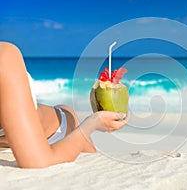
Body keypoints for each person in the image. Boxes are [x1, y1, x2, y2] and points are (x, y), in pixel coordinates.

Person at [0, 42, 128, 168]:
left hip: (60, 131)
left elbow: (39, 161)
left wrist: (93, 122)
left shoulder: (5, 56)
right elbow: (39, 162)